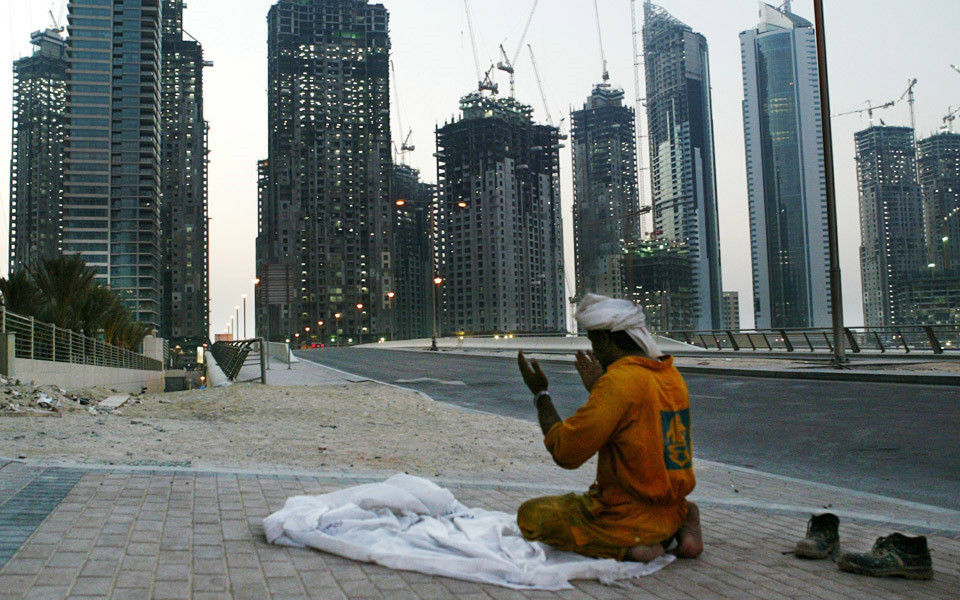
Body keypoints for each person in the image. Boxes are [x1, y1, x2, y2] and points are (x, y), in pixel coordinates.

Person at [515, 293, 703, 562]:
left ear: (605, 339)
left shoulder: (619, 382)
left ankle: (633, 546)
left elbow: (567, 452)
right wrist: (597, 391)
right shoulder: (670, 375)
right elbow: (636, 427)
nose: (594, 350)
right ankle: (684, 520)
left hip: (627, 515)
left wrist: (540, 394)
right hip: (670, 508)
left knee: (531, 515)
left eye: (593, 341)